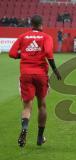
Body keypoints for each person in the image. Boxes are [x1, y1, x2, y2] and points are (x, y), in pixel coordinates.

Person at [9, 15, 62, 147]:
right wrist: (55, 70)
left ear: (31, 24)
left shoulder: (23, 36)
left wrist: (24, 54)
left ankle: (25, 128)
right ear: (41, 25)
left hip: (26, 74)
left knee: (27, 106)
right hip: (40, 74)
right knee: (42, 105)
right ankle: (39, 137)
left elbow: (12, 53)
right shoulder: (46, 37)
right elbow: (49, 53)